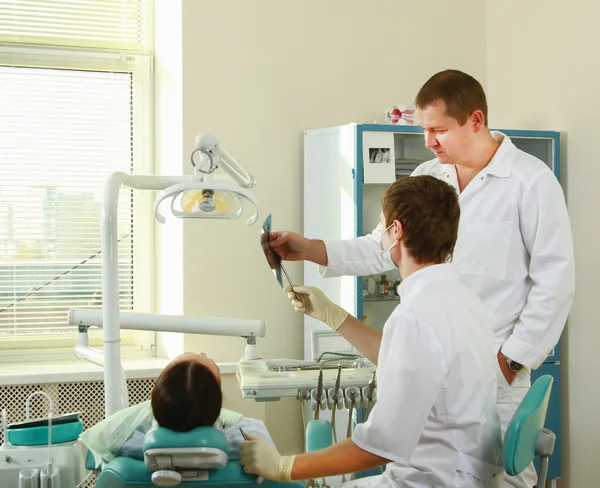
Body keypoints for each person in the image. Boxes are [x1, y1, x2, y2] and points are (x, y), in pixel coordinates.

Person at [267, 70, 575, 488]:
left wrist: (508, 362)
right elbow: (379, 243)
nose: (429, 141)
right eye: (423, 129)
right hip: (459, 352)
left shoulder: (531, 181)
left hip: (497, 367)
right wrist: (309, 249)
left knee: (485, 472)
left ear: (476, 121)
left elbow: (555, 283)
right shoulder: (431, 175)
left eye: (438, 130)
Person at [241, 175, 503, 487]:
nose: (379, 237)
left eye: (382, 226)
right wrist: (333, 316)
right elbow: (411, 361)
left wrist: (285, 466)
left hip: (433, 480)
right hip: (467, 472)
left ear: (396, 231)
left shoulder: (417, 315)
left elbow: (378, 445)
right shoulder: (462, 299)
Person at [80, 352, 275, 466]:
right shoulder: (250, 437)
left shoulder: (118, 437)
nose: (202, 354)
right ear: (217, 405)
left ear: (155, 393)